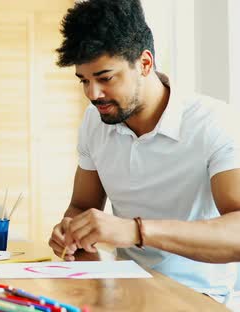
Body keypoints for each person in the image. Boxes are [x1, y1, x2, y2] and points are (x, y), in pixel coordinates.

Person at [47, 0, 240, 302]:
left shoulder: (215, 122)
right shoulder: (95, 122)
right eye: (84, 80)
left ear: (145, 63)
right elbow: (82, 205)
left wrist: (136, 231)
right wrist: (72, 230)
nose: (92, 94)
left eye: (105, 78)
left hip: (202, 297)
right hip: (125, 291)